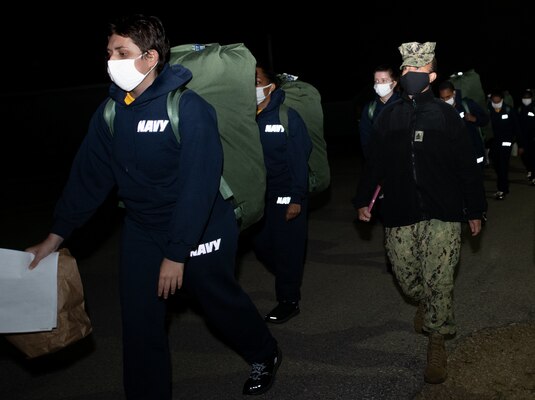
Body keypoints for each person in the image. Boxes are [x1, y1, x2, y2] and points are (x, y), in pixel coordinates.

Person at [25, 14, 280, 399]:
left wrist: (177, 253)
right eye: (109, 52)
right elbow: (88, 178)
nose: (111, 60)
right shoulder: (111, 112)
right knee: (140, 324)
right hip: (144, 228)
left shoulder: (188, 108)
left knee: (217, 302)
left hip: (202, 224)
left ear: (150, 57)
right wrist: (55, 236)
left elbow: (199, 185)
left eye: (121, 52)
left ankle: (264, 352)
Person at [353, 42, 487, 385]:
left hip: (443, 212)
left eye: (419, 69)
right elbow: (375, 162)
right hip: (400, 210)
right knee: (408, 280)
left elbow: (466, 166)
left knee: (439, 280)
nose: (412, 74)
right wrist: (363, 199)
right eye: (408, 69)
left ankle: (437, 339)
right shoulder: (388, 116)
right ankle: (424, 303)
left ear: (432, 75)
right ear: (402, 74)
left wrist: (475, 209)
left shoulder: (445, 115)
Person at [252, 64, 312, 324]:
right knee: (262, 245)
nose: (251, 87)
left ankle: (289, 300)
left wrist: (296, 198)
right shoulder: (246, 118)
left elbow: (300, 159)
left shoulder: (287, 117)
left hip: (286, 193)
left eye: (256, 81)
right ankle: (290, 275)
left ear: (270, 86)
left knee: (287, 248)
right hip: (260, 197)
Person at [438, 80, 489, 170]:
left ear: (454, 93)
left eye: (448, 97)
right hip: (454, 155)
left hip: (473, 152)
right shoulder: (440, 110)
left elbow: (485, 119)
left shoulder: (467, 104)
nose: (445, 100)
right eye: (442, 98)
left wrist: (475, 119)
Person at [359, 64, 400, 160]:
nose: (379, 84)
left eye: (383, 80)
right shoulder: (370, 109)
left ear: (394, 83)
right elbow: (366, 139)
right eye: (376, 81)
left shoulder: (405, 105)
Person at [487, 89, 521, 199]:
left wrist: (519, 144)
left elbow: (516, 127)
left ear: (502, 100)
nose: (496, 103)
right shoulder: (488, 110)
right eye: (494, 101)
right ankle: (503, 184)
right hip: (493, 143)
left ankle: (502, 189)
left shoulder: (509, 110)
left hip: (506, 143)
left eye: (498, 101)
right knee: (496, 164)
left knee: (503, 165)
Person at [517, 89, 535, 185]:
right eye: (524, 97)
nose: (526, 99)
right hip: (523, 138)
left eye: (528, 97)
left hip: (533, 138)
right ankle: (530, 170)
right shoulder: (520, 109)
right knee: (525, 157)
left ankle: (533, 176)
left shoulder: (534, 108)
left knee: (533, 157)